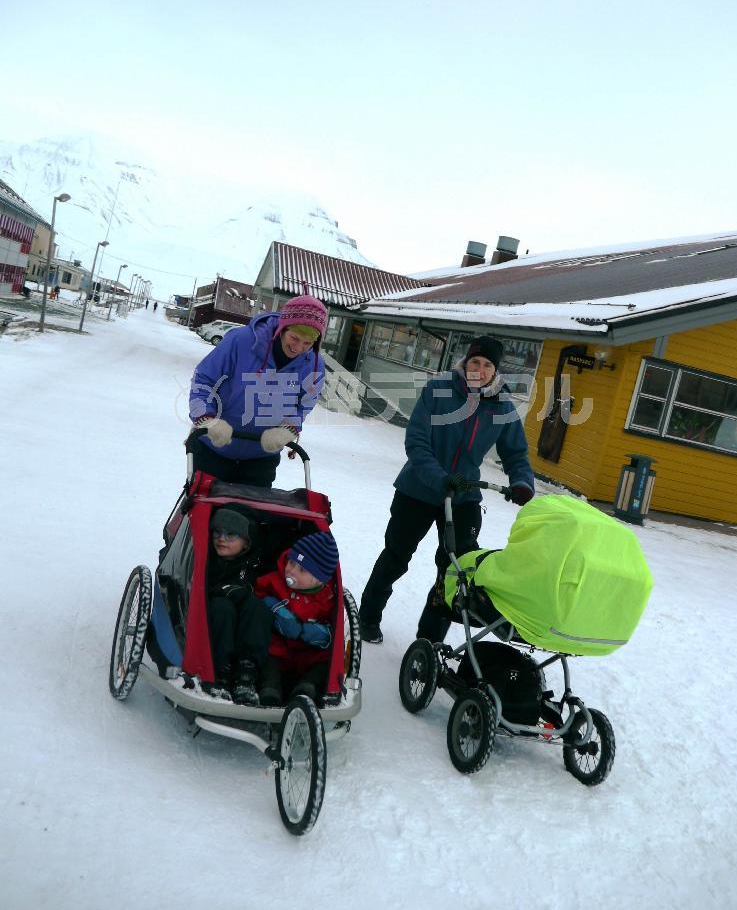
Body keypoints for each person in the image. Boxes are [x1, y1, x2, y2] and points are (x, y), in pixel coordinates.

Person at [358, 335, 535, 645]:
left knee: (455, 570)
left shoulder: (502, 406)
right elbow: (417, 441)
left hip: (464, 494)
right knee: (396, 556)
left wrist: (522, 482)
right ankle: (368, 617)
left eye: (488, 365)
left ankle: (430, 642)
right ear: (465, 363)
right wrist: (439, 479)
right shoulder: (439, 390)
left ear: (495, 372)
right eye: (475, 362)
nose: (480, 369)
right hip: (418, 488)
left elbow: (516, 453)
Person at [188, 294, 328, 486]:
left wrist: (288, 429)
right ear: (282, 328)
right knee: (203, 503)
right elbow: (203, 380)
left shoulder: (314, 364)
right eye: (294, 338)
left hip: (261, 458)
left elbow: (304, 404)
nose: (298, 348)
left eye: (307, 343)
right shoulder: (241, 341)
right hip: (213, 449)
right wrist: (206, 419)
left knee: (252, 506)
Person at [255, 531, 338, 705]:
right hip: (279, 642)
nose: (291, 571)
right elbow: (257, 595)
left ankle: (307, 687)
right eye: (291, 562)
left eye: (302, 570)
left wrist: (324, 634)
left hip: (307, 650)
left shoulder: (327, 599)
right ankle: (270, 688)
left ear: (319, 580)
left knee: (325, 659)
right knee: (269, 652)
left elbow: (335, 625)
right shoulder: (275, 581)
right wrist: (275, 609)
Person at [206, 507, 273, 704]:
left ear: (246, 543)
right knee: (222, 608)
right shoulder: (208, 559)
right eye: (217, 532)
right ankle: (221, 673)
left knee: (257, 608)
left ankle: (246, 675)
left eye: (231, 535)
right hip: (214, 618)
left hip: (244, 623)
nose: (221, 538)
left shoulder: (254, 564)